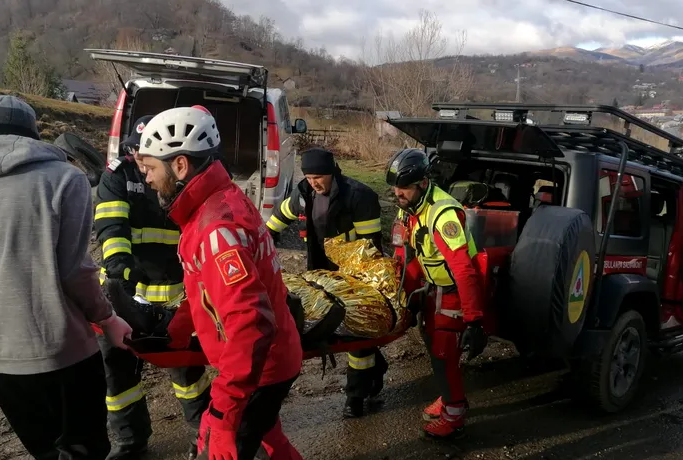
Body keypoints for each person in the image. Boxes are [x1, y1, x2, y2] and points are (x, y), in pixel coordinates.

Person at [0, 95, 133, 459]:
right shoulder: (67, 179)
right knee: (86, 448)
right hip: (61, 348)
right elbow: (76, 272)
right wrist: (107, 319)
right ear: (33, 136)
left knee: (45, 451)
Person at [134, 105, 304, 460]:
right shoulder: (215, 203)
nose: (146, 179)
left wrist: (224, 415)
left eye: (150, 167)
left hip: (258, 369)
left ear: (180, 165)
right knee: (271, 438)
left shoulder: (216, 227)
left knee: (223, 446)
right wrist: (177, 330)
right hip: (257, 364)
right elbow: (206, 289)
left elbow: (251, 325)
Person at [93, 115, 211, 459]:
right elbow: (111, 226)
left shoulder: (179, 180)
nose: (140, 162)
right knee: (118, 375)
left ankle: (203, 433)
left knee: (188, 371)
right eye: (136, 153)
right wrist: (118, 274)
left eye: (146, 155)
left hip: (174, 292)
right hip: (124, 294)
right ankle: (131, 441)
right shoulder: (118, 176)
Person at [265, 147, 386, 419]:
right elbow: (281, 215)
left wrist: (363, 283)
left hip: (353, 275)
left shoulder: (359, 197)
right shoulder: (303, 193)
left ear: (332, 173)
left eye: (318, 177)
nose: (314, 183)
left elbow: (371, 249)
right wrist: (265, 236)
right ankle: (374, 372)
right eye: (309, 177)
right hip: (320, 273)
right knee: (331, 331)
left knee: (358, 335)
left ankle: (356, 396)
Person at [385, 148, 488, 439]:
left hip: (454, 291)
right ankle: (447, 393)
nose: (397, 193)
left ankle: (454, 416)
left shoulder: (443, 215)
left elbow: (464, 270)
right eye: (394, 186)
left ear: (422, 183)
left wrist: (474, 320)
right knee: (432, 344)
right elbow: (409, 254)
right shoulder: (410, 208)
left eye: (403, 187)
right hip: (434, 288)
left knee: (443, 354)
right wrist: (404, 295)